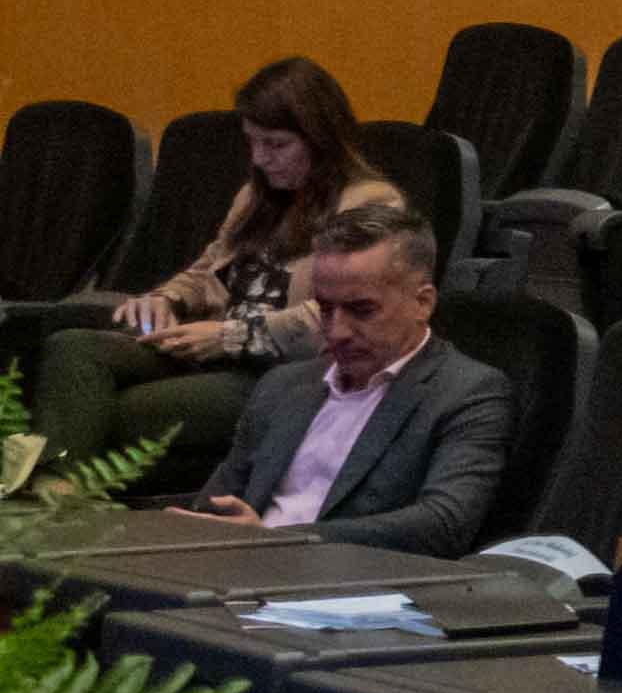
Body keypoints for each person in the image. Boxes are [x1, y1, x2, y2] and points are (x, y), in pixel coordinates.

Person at [39, 55, 395, 472]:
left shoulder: (371, 205)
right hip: (213, 351)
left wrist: (230, 336)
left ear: (321, 138)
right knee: (72, 349)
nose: (261, 158)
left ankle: (53, 510)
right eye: (254, 143)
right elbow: (206, 270)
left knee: (121, 411)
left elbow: (342, 317)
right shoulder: (255, 197)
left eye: (277, 144)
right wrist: (165, 300)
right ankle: (51, 502)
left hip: (282, 376)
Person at [176, 203, 513, 554]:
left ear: (423, 303)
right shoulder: (283, 386)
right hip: (233, 572)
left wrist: (278, 542)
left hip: (346, 585)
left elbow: (444, 523)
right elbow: (216, 503)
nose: (336, 332)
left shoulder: (467, 393)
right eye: (324, 309)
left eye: (361, 310)